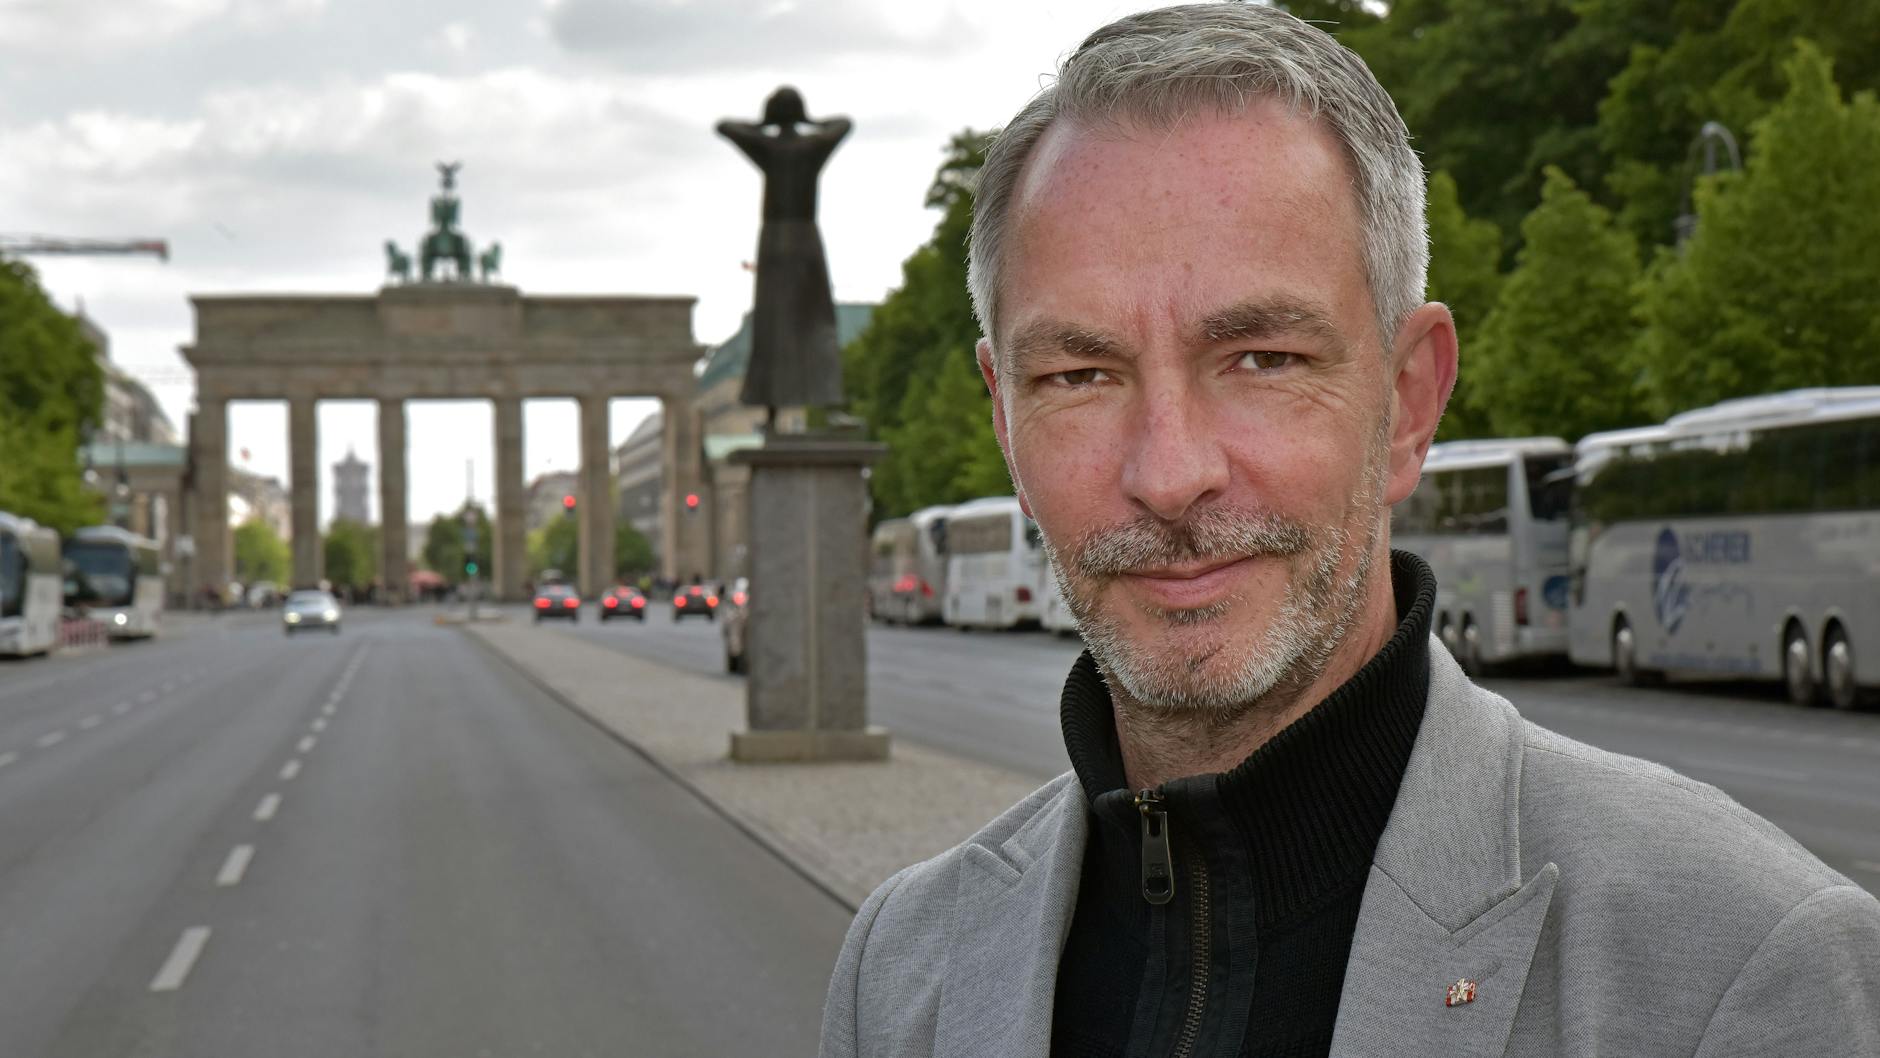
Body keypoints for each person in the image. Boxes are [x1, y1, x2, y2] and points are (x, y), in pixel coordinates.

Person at [818, 6, 1880, 1058]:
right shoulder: (903, 970)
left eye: (1262, 359)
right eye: (1080, 375)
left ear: (1409, 402)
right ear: (1004, 415)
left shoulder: (1738, 969)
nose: (1171, 473)